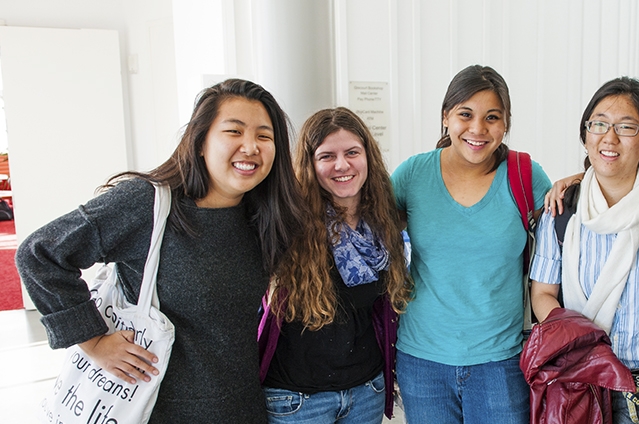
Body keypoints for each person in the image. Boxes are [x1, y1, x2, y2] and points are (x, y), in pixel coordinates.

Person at [16, 79, 304, 422]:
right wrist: (92, 340)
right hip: (157, 409)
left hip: (240, 407)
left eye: (263, 136)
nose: (250, 146)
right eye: (233, 131)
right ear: (200, 142)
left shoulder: (261, 217)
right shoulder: (148, 203)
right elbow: (40, 253)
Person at [390, 64, 552, 424]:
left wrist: (576, 183)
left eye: (492, 117)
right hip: (422, 361)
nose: (478, 129)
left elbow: (570, 230)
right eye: (466, 114)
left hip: (502, 362)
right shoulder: (413, 174)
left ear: (506, 123)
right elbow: (363, 222)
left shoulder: (525, 174)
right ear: (446, 117)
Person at [529, 77, 639, 424]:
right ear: (585, 136)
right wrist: (583, 342)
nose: (609, 138)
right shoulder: (564, 207)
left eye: (626, 127)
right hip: (577, 376)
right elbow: (542, 293)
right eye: (599, 124)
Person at [259, 108, 412, 423]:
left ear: (367, 156)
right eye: (327, 156)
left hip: (365, 392)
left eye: (352, 152)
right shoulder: (287, 224)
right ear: (310, 164)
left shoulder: (384, 222)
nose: (342, 165)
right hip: (297, 400)